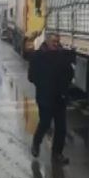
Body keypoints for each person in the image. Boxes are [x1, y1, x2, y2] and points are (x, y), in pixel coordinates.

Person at [28, 33, 74, 163]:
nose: (56, 44)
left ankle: (57, 154)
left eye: (57, 42)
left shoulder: (62, 56)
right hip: (45, 96)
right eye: (54, 41)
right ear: (47, 42)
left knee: (61, 127)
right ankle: (36, 143)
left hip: (59, 97)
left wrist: (65, 86)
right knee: (45, 123)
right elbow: (31, 76)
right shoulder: (38, 57)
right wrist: (42, 84)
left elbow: (70, 73)